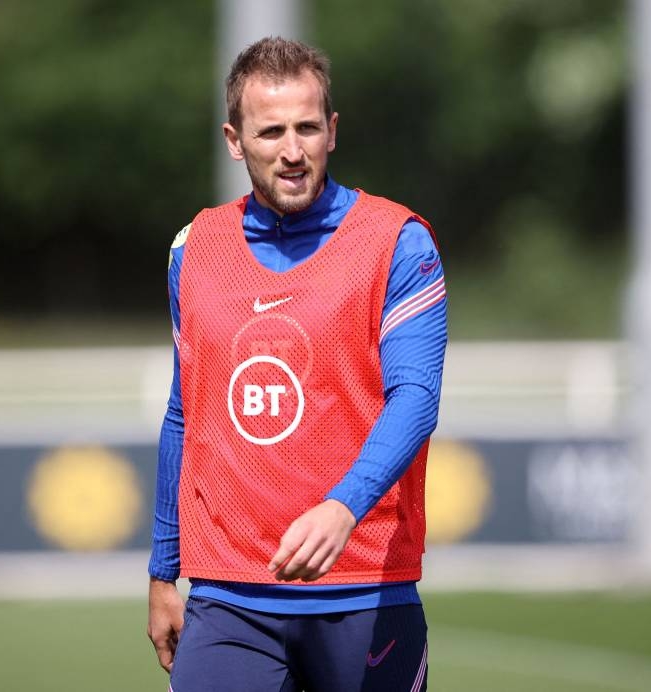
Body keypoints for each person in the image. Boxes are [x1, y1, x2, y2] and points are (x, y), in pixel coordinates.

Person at [146, 37, 447, 691]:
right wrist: (163, 569)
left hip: (367, 589)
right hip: (229, 598)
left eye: (307, 127)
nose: (292, 150)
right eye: (271, 131)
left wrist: (344, 506)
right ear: (234, 139)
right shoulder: (192, 249)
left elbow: (416, 396)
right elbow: (183, 413)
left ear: (331, 131)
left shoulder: (398, 241)